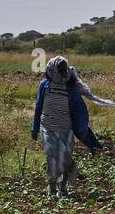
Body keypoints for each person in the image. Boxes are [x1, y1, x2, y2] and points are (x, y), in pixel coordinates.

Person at [31, 56, 101, 199]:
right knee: (52, 157)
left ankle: (63, 190)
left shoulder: (70, 87)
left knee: (65, 155)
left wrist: (83, 132)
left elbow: (77, 109)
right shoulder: (44, 85)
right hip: (48, 128)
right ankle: (51, 189)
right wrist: (35, 127)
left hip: (66, 128)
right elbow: (38, 107)